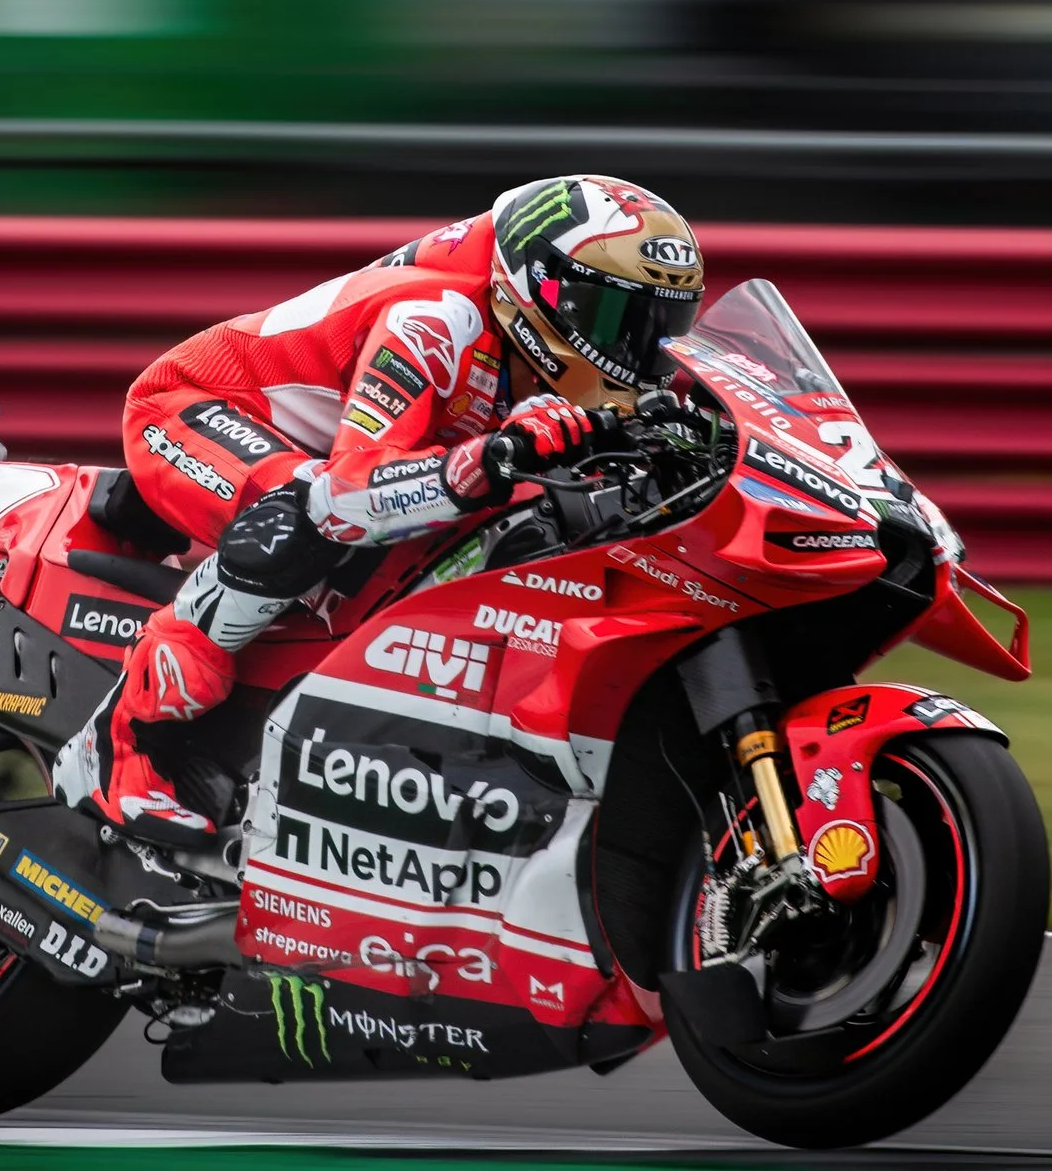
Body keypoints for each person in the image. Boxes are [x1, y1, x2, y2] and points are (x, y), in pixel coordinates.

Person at [52, 174, 706, 839]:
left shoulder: (541, 341)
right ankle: (115, 742)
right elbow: (346, 493)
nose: (637, 351)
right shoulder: (435, 319)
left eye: (659, 327)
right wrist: (484, 461)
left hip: (334, 450)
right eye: (616, 321)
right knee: (300, 515)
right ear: (541, 288)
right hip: (193, 407)